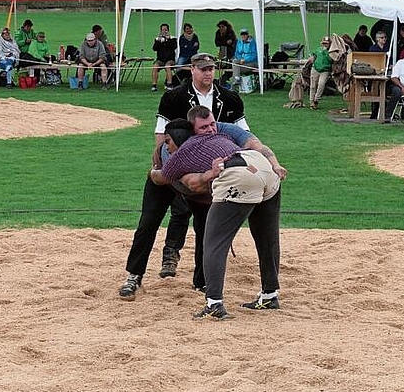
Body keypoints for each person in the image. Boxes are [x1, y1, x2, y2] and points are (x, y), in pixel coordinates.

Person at [118, 53, 249, 300]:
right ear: (192, 70)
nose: (208, 73)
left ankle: (202, 281)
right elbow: (160, 136)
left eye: (211, 68)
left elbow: (244, 136)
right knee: (148, 222)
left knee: (206, 228)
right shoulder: (174, 96)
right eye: (202, 69)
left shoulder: (229, 98)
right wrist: (163, 163)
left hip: (207, 176)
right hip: (173, 166)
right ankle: (134, 276)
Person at [150, 119, 285, 320]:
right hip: (265, 168)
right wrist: (275, 164)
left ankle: (214, 303)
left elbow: (162, 178)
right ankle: (269, 294)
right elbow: (257, 144)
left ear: (174, 140)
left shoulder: (179, 155)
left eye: (167, 143)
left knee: (214, 242)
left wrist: (152, 171)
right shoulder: (221, 135)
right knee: (268, 237)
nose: (166, 147)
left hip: (237, 174)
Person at [151, 23, 177, 92]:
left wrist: (168, 39)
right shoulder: (157, 39)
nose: (164, 31)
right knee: (155, 66)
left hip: (170, 59)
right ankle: (154, 85)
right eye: (163, 30)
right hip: (160, 60)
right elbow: (154, 49)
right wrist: (158, 41)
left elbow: (174, 47)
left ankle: (169, 84)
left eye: (165, 30)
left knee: (167, 66)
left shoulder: (173, 38)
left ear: (168, 30)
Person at [309, 36, 332, 110]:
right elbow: (313, 57)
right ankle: (311, 101)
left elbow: (331, 59)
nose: (325, 45)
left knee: (321, 84)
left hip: (325, 70)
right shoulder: (318, 49)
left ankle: (316, 99)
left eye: (327, 43)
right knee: (312, 86)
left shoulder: (331, 52)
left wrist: (326, 52)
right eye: (324, 43)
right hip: (315, 68)